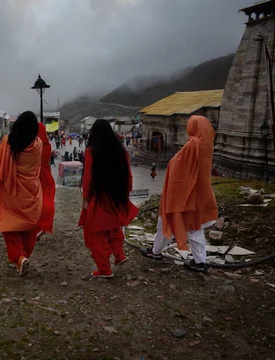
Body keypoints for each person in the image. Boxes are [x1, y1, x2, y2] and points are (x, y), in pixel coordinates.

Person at [140, 116, 218, 273]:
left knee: (169, 221)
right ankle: (199, 261)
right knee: (192, 226)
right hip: (197, 193)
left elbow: (177, 163)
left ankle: (157, 252)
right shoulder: (206, 145)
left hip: (183, 194)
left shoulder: (193, 144)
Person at [0, 111, 43, 276]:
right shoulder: (38, 144)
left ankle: (20, 257)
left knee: (10, 226)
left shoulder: (9, 142)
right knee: (29, 225)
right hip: (32, 190)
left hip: (12, 192)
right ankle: (24, 255)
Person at [79, 120, 139, 278]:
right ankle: (119, 255)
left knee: (97, 233)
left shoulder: (91, 151)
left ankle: (105, 269)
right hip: (116, 196)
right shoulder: (121, 150)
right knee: (113, 227)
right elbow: (128, 174)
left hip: (99, 198)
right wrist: (126, 192)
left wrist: (85, 198)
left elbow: (88, 178)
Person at [36, 123, 56, 241]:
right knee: (47, 200)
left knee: (37, 202)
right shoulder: (47, 146)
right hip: (47, 176)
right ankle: (44, 225)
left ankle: (38, 227)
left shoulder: (35, 146)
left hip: (37, 177)